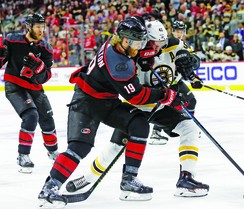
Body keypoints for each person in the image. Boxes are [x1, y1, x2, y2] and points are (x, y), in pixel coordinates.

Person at [37, 16, 181, 208]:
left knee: (139, 123)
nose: (140, 46)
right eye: (138, 43)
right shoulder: (118, 62)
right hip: (87, 103)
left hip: (107, 101)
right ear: (126, 40)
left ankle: (129, 180)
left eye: (141, 42)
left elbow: (140, 46)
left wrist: (149, 55)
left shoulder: (120, 43)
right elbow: (136, 97)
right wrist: (164, 94)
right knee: (80, 147)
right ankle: (49, 188)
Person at [65, 20, 209, 199]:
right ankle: (88, 178)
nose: (159, 47)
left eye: (161, 43)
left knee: (189, 128)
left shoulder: (170, 43)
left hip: (160, 103)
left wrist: (191, 62)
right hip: (138, 104)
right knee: (116, 146)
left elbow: (192, 57)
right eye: (154, 44)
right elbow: (130, 90)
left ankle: (186, 180)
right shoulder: (131, 52)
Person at [0, 13, 59, 174]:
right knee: (31, 116)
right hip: (15, 86)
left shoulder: (46, 48)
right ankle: (23, 155)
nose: (41, 30)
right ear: (28, 27)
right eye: (38, 27)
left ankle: (53, 151)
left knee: (47, 119)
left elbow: (45, 77)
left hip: (35, 88)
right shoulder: (12, 40)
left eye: (42, 26)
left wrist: (39, 69)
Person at [148, 19, 199, 145]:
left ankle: (189, 127)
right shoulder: (160, 45)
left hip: (175, 81)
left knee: (190, 101)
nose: (179, 34)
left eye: (181, 31)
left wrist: (193, 76)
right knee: (163, 105)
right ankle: (156, 132)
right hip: (164, 83)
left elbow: (193, 62)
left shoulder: (181, 44)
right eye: (177, 31)